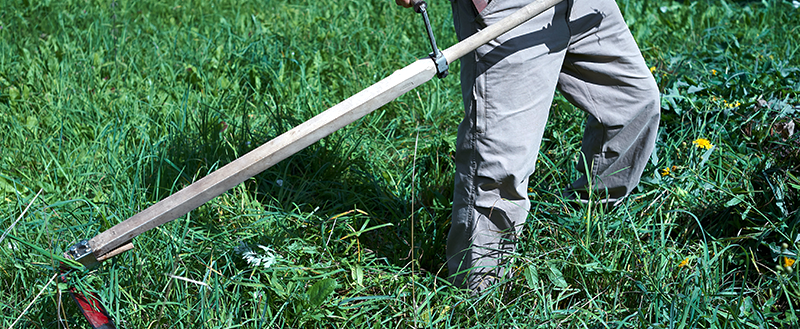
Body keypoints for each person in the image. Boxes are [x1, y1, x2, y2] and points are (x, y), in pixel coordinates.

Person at [396, 0, 660, 291]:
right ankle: (479, 300)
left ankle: (581, 231)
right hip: (512, 8)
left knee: (634, 104)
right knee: (498, 171)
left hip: (586, 5)